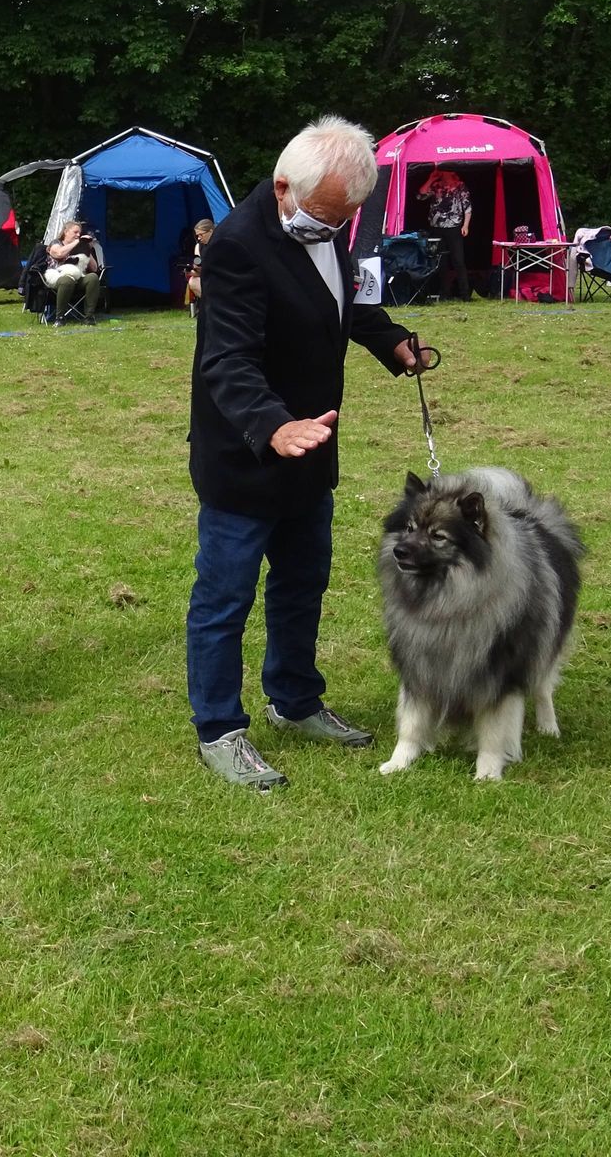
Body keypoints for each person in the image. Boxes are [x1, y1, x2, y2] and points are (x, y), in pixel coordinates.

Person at [187, 116, 435, 789]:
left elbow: (339, 301)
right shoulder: (237, 247)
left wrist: (392, 341)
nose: (333, 231)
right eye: (325, 218)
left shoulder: (326, 224)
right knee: (225, 596)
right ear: (282, 187)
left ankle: (295, 701)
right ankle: (219, 728)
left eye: (343, 221)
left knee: (302, 586)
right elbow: (227, 359)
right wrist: (273, 426)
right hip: (247, 453)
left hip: (311, 451)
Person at [417, 166, 472, 300]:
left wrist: (466, 225)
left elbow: (467, 206)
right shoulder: (436, 186)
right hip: (437, 227)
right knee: (441, 261)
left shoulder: (460, 186)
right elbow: (421, 195)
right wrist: (431, 179)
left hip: (454, 226)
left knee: (458, 260)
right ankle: (444, 293)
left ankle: (465, 294)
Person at [40, 221, 105, 323]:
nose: (78, 235)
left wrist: (87, 248)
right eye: (75, 232)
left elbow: (94, 268)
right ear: (66, 232)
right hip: (58, 277)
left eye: (79, 233)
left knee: (93, 277)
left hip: (78, 277)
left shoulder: (80, 245)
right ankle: (60, 317)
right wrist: (77, 242)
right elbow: (59, 253)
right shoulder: (56, 243)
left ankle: (89, 317)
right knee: (67, 280)